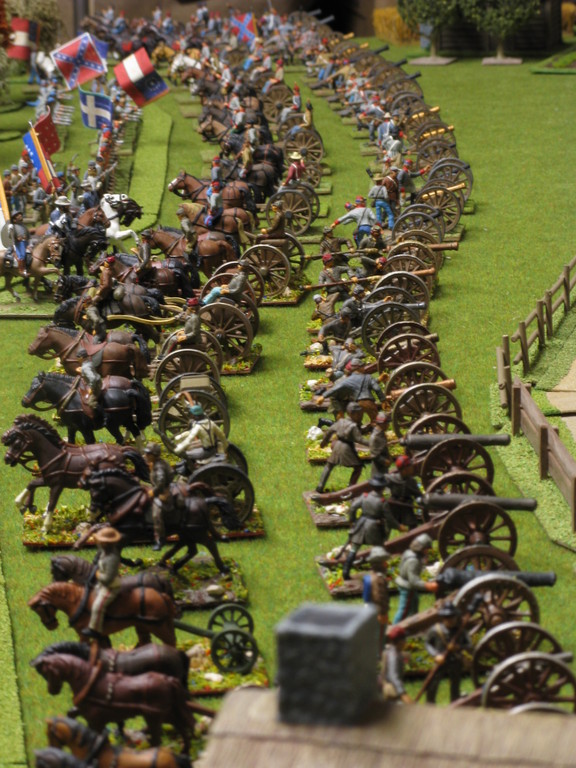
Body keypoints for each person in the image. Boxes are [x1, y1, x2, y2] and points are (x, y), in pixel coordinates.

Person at [341, 476, 403, 580]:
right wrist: (399, 526)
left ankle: (346, 571)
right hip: (374, 528)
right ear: (382, 488)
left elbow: (353, 507)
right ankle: (379, 572)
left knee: (354, 549)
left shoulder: (364, 496)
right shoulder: (382, 502)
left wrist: (353, 520)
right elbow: (389, 519)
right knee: (378, 549)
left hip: (361, 524)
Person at [424, 600, 472, 703]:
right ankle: (430, 704)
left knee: (455, 685)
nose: (450, 620)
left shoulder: (461, 631)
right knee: (433, 684)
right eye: (447, 617)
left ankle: (454, 702)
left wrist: (459, 647)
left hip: (455, 661)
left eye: (452, 617)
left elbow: (469, 644)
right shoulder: (435, 630)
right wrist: (435, 655)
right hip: (440, 661)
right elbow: (428, 643)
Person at [315, 401, 369, 494]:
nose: (361, 416)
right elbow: (360, 439)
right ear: (353, 414)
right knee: (358, 467)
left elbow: (330, 431)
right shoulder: (353, 426)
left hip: (337, 445)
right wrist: (371, 443)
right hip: (346, 448)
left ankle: (320, 486)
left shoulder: (341, 421)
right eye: (359, 414)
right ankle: (350, 489)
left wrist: (323, 443)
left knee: (329, 465)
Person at [81, 526, 122, 641]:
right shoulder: (104, 552)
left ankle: (95, 629)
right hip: (101, 584)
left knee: (97, 606)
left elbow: (108, 578)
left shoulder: (112, 558)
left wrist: (98, 575)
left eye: (102, 542)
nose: (100, 544)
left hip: (110, 586)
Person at [393, 533, 438, 624]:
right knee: (404, 611)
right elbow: (414, 581)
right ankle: (394, 628)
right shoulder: (413, 561)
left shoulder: (409, 553)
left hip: (408, 586)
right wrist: (428, 586)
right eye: (426, 549)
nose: (427, 551)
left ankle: (412, 624)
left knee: (414, 605)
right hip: (407, 587)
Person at [143, 442, 175, 551]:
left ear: (154, 455)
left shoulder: (159, 467)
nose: (146, 456)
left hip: (164, 491)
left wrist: (153, 492)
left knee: (156, 514)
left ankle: (161, 539)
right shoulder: (154, 463)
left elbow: (161, 483)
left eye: (148, 454)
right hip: (156, 487)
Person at [383, 455, 423, 529]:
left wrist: (421, 502)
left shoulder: (411, 482)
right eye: (410, 466)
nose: (412, 468)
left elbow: (418, 495)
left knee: (413, 525)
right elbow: (380, 484)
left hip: (406, 506)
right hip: (394, 505)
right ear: (404, 470)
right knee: (387, 524)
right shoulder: (392, 478)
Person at [381, 625, 412, 703]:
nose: (405, 642)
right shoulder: (393, 656)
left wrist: (405, 655)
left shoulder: (391, 651)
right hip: (392, 690)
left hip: (390, 689)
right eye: (404, 639)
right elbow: (393, 676)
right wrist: (403, 694)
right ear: (400, 642)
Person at [370, 411, 392, 476]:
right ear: (382, 424)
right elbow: (374, 455)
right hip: (378, 468)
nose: (388, 425)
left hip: (384, 466)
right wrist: (385, 461)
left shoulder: (381, 433)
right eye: (387, 423)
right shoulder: (375, 437)